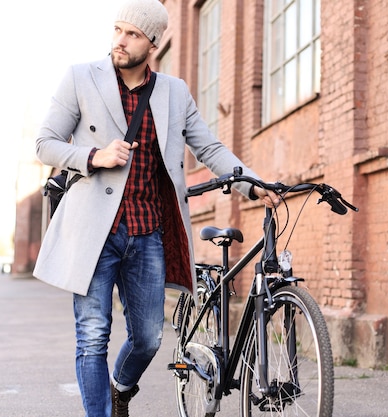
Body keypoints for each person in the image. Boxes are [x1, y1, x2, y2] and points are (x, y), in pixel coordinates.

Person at [33, 0, 277, 416]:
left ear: (153, 43)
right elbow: (45, 143)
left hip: (147, 234)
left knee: (147, 337)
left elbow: (209, 147)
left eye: (132, 34)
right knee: (92, 336)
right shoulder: (80, 78)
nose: (120, 41)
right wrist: (93, 155)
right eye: (117, 30)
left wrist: (251, 185)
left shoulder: (173, 92)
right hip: (94, 232)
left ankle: (120, 385)